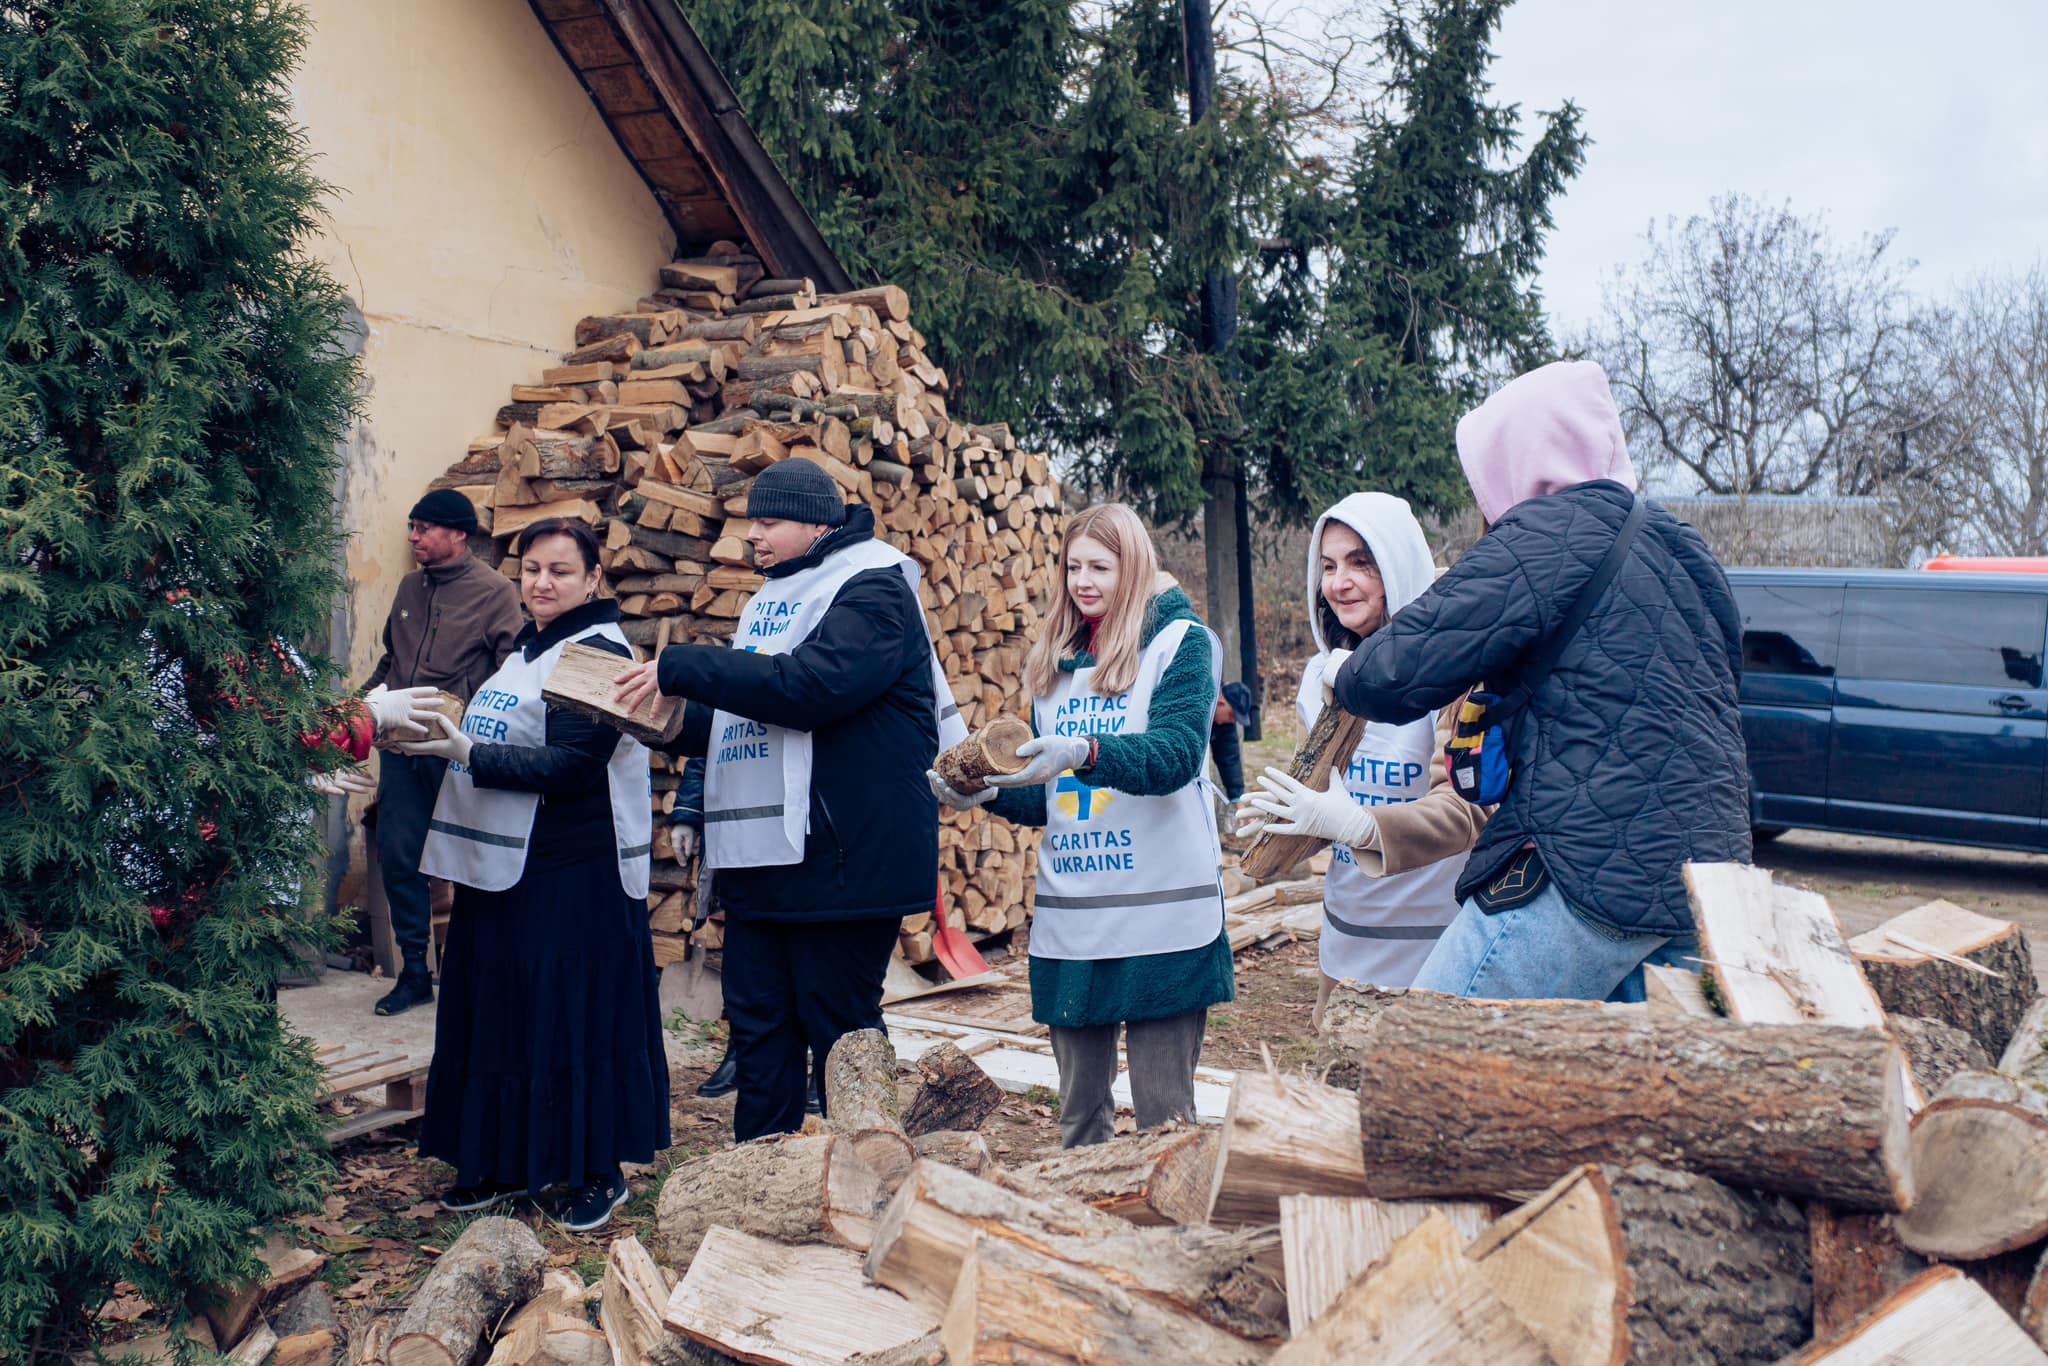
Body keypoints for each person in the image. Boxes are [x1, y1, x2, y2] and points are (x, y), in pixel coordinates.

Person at [1325, 361, 1748, 1002]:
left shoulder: (1544, 534)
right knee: (1617, 1092)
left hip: (1587, 875)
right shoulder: (1684, 547)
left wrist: (1344, 672)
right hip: (1709, 883)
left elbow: (1399, 671)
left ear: (1513, 456)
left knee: (1435, 1053)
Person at [611, 459, 967, 1142]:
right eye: (751, 521)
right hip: (766, 862)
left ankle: (869, 1179)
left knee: (840, 1030)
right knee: (759, 1028)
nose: (752, 536)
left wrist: (682, 665)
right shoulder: (773, 597)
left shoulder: (874, 588)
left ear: (817, 522)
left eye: (767, 521)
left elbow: (810, 688)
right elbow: (748, 717)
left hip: (845, 861)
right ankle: (763, 1178)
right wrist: (665, 721)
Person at [393, 517, 668, 1231]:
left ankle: (594, 1169)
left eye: (560, 571)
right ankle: (501, 1160)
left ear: (593, 579)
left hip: (574, 872)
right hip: (501, 870)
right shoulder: (526, 652)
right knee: (498, 1010)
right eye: (532, 570)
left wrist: (465, 754)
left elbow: (574, 767)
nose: (542, 583)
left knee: (569, 1016)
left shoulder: (599, 651)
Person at [929, 503, 1233, 1149]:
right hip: (1075, 917)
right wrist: (981, 791)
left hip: (1163, 917)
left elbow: (1175, 758)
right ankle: (1080, 1237)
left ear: (1136, 569)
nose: (1083, 582)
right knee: (1078, 1124)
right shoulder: (1055, 668)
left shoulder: (1181, 646)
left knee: (1165, 1122)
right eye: (1073, 567)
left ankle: (1173, 1244)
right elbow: (1053, 798)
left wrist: (1085, 752)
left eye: (1101, 566)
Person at [1235, 494, 1487, 1025]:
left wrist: (1362, 825)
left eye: (1360, 562)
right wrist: (1283, 818)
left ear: (1396, 565)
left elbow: (1468, 810)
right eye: (1327, 566)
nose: (1338, 583)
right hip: (1346, 941)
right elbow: (1327, 801)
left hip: (1435, 950)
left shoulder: (1456, 678)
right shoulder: (1316, 678)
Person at [360, 487, 524, 1016]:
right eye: (412, 527)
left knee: (470, 858)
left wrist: (472, 730)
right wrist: (359, 713)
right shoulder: (409, 588)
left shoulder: (496, 591)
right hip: (402, 752)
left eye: (423, 528)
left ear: (458, 533)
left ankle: (476, 975)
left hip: (457, 753)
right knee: (402, 857)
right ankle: (414, 973)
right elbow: (391, 661)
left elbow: (511, 673)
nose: (413, 538)